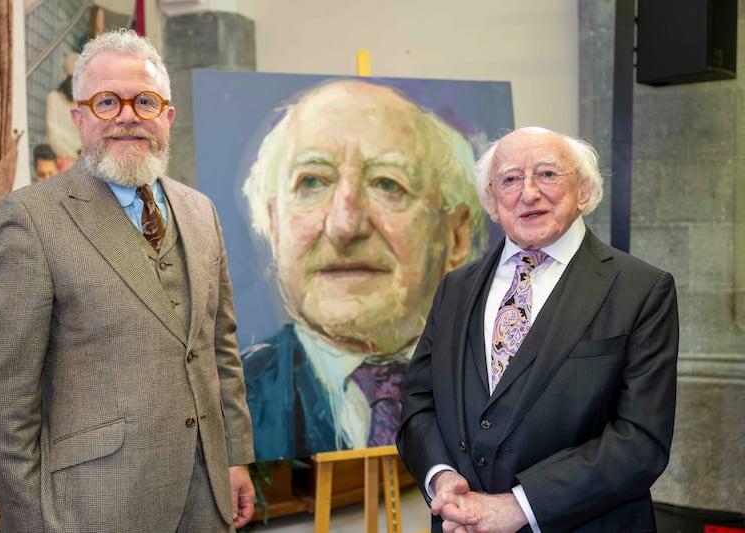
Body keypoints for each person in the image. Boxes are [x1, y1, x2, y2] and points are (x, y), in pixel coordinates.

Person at [0, 29, 255, 532]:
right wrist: (30, 521)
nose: (128, 115)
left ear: (167, 117)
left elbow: (219, 351)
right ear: (79, 117)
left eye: (145, 101)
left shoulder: (200, 212)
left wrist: (234, 458)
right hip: (94, 508)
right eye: (107, 101)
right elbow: (4, 400)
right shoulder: (30, 218)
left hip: (205, 498)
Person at [396, 126, 679, 532]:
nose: (528, 193)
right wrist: (442, 479)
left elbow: (641, 440)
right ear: (493, 201)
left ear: (583, 191)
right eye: (510, 179)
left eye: (547, 174)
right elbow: (418, 399)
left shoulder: (642, 290)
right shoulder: (455, 288)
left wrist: (517, 508)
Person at [241, 79, 484, 460]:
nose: (345, 224)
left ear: (456, 235)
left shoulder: (500, 383)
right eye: (312, 182)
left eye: (388, 183)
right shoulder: (233, 399)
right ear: (274, 227)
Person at [45, 52, 81, 171]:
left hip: (79, 163)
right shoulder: (54, 98)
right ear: (66, 77)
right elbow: (53, 137)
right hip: (58, 161)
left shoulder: (83, 104)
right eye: (72, 79)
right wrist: (73, 156)